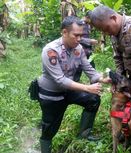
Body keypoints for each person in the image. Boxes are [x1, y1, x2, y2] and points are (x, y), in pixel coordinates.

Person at [37, 16, 110, 153]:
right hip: (52, 95)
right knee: (49, 129)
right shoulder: (50, 50)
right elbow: (60, 80)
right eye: (75, 35)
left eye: (81, 35)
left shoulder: (79, 48)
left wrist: (102, 78)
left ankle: (84, 135)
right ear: (64, 32)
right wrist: (87, 87)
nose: (78, 39)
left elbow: (88, 69)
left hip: (69, 91)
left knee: (93, 99)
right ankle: (45, 149)